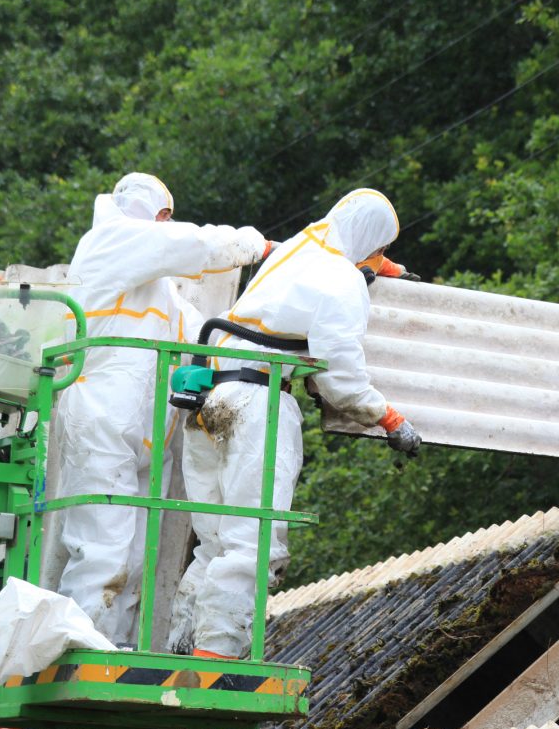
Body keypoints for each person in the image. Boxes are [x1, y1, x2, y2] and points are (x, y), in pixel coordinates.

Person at [168, 188, 422, 659]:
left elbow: (327, 264)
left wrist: (381, 268)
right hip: (256, 404)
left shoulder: (299, 250)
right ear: (368, 240)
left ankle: (181, 657)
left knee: (215, 543)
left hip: (209, 395)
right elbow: (338, 373)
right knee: (253, 543)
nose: (380, 259)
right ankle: (215, 662)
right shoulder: (340, 278)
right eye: (381, 247)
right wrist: (386, 417)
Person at [56, 172, 272, 644]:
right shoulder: (111, 239)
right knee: (102, 549)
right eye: (163, 217)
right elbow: (195, 245)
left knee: (132, 557)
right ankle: (73, 649)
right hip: (102, 420)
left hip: (142, 435)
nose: (165, 226)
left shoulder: (161, 294)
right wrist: (258, 245)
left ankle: (108, 649)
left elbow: (205, 337)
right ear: (154, 214)